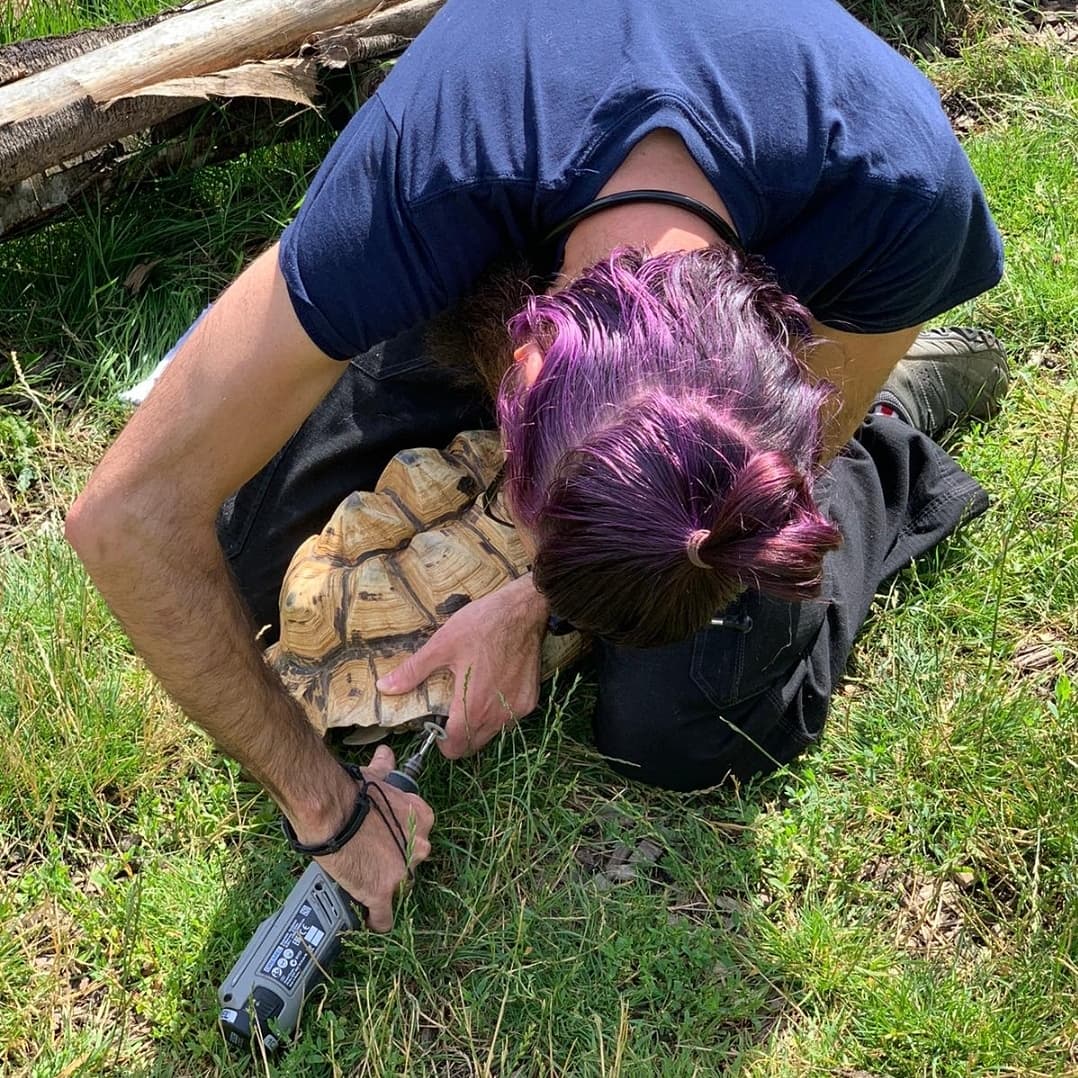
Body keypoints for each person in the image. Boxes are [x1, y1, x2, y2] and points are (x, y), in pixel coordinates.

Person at [65, 0, 1007, 932]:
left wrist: (532, 602)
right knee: (247, 562)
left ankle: (900, 411)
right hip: (488, 255)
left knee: (680, 723)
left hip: (806, 337)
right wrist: (327, 807)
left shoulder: (898, 187)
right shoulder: (423, 174)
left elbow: (810, 433)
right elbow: (127, 519)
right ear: (518, 370)